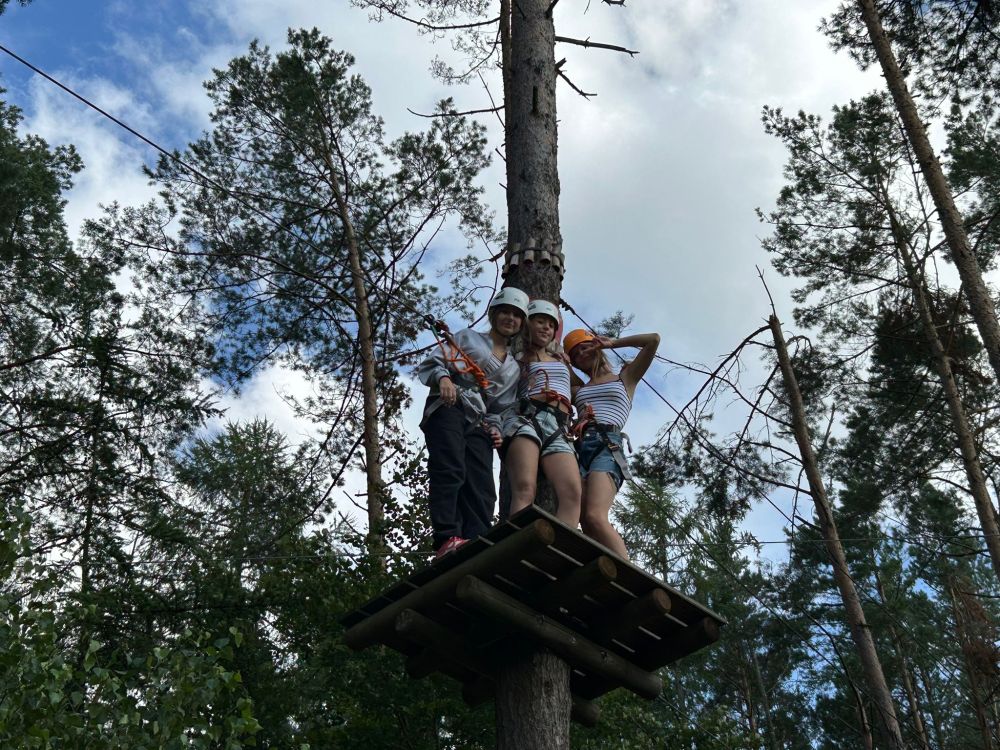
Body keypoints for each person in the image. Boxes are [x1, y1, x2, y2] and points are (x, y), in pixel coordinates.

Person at [416, 287, 529, 558]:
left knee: (481, 484)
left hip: (479, 419)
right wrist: (444, 378)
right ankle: (447, 537)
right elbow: (435, 362)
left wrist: (496, 427)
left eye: (516, 315)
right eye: (505, 312)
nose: (510, 318)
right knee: (450, 468)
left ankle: (477, 541)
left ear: (521, 323)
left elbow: (500, 406)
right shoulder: (468, 337)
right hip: (449, 404)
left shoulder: (513, 368)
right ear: (494, 315)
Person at [564, 328, 660, 559]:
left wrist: (612, 343)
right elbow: (559, 362)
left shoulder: (626, 378)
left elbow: (653, 340)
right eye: (576, 354)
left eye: (585, 347)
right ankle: (601, 568)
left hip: (608, 445)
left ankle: (629, 574)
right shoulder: (579, 388)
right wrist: (563, 357)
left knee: (595, 515)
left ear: (596, 346)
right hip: (580, 448)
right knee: (584, 520)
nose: (582, 354)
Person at [502, 300, 582, 527]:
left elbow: (579, 389)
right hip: (528, 418)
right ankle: (517, 541)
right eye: (540, 322)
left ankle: (559, 546)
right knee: (525, 488)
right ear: (528, 325)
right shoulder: (517, 359)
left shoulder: (561, 360)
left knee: (572, 493)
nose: (546, 327)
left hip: (559, 426)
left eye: (551, 325)